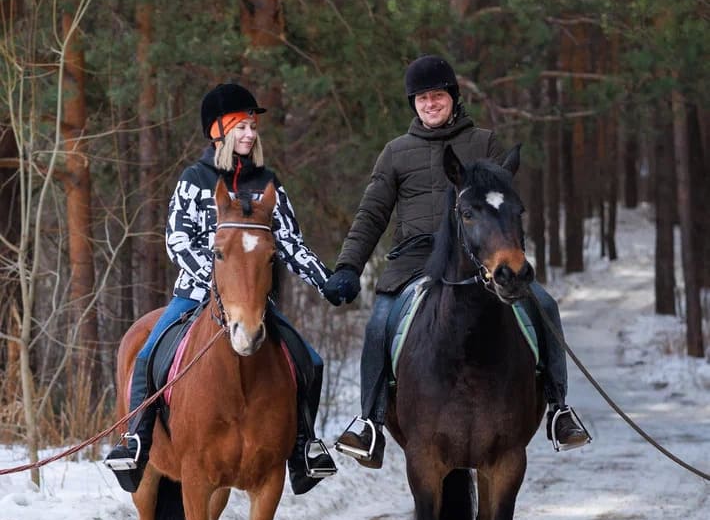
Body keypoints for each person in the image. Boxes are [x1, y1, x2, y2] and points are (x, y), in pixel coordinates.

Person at [322, 54, 591, 468]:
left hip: (480, 261)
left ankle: (559, 409)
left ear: (453, 97)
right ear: (413, 104)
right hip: (413, 262)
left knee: (546, 306)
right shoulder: (395, 153)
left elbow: (503, 207)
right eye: (422, 98)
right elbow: (371, 215)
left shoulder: (483, 143)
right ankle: (370, 422)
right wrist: (347, 267)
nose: (430, 104)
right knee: (378, 325)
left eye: (438, 95)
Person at [105, 82, 338, 495]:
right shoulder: (195, 179)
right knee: (145, 356)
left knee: (310, 361)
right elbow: (177, 239)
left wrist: (326, 279)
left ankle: (304, 446)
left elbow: (290, 243)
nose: (250, 134)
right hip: (194, 297)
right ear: (218, 131)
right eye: (240, 126)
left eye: (252, 127)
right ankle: (137, 441)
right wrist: (215, 281)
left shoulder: (268, 183)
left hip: (252, 302)